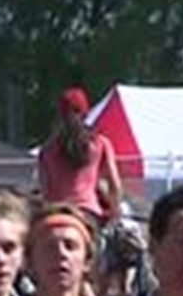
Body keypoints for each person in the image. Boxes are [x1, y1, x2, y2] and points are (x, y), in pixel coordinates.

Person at [37, 87, 122, 225]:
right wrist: (114, 210)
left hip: (55, 212)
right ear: (85, 113)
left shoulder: (46, 150)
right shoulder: (99, 144)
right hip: (88, 212)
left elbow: (45, 190)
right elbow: (114, 184)